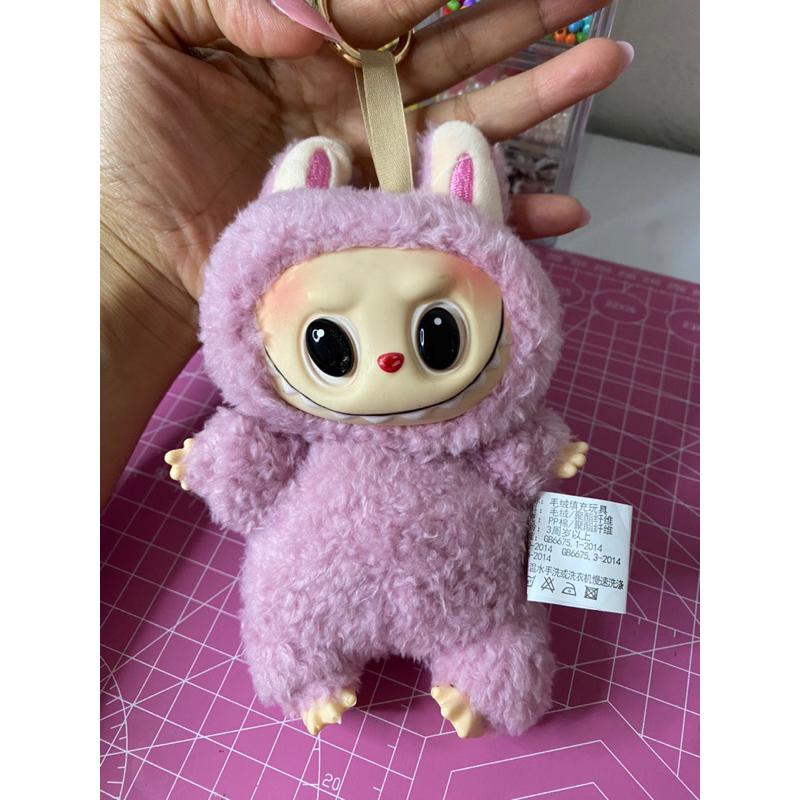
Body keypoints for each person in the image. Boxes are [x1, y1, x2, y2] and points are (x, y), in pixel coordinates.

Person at [100, 0, 633, 506]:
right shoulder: (288, 423)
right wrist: (220, 461)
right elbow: (255, 473)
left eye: (439, 336)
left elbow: (509, 460)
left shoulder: (481, 421)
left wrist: (541, 451)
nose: (388, 363)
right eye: (328, 346)